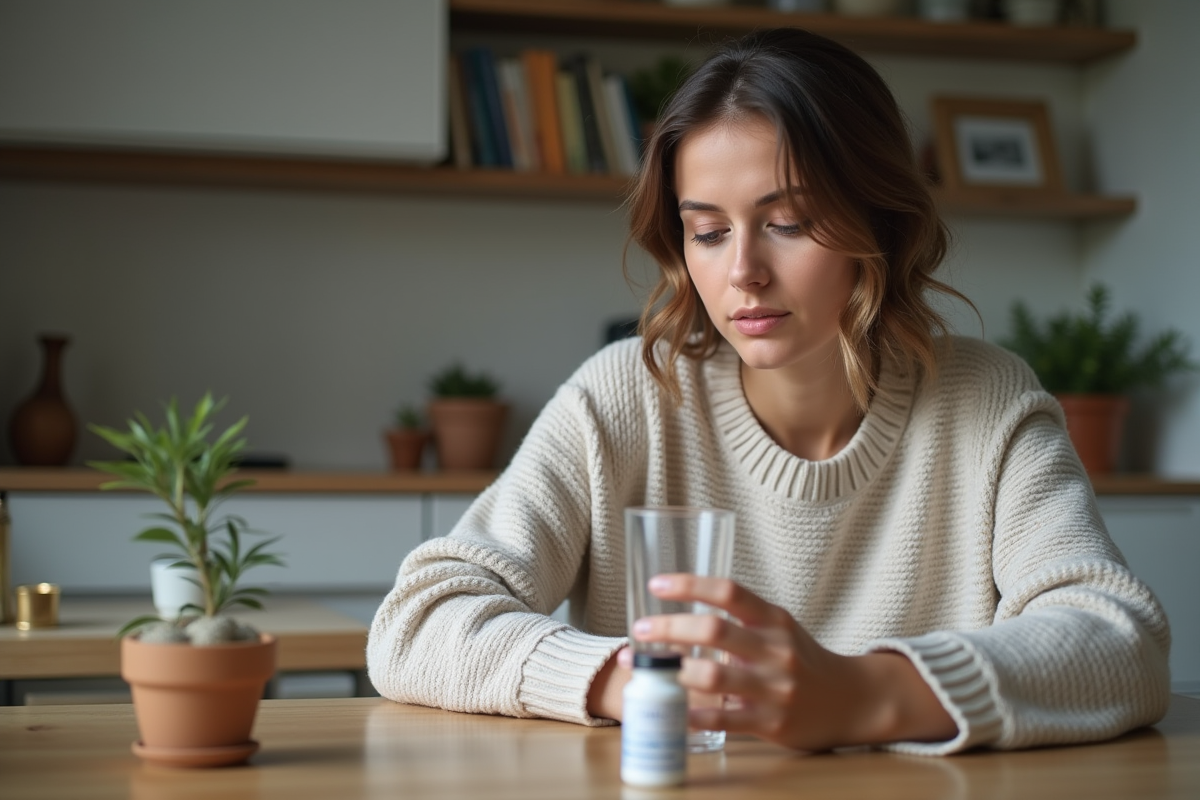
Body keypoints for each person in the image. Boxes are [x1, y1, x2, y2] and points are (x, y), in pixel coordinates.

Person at [367, 28, 1170, 754]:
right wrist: (642, 678)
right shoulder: (625, 397)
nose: (742, 271)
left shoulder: (987, 403)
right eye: (708, 232)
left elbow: (1119, 641)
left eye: (788, 222)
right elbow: (417, 623)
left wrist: (861, 696)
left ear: (879, 222)